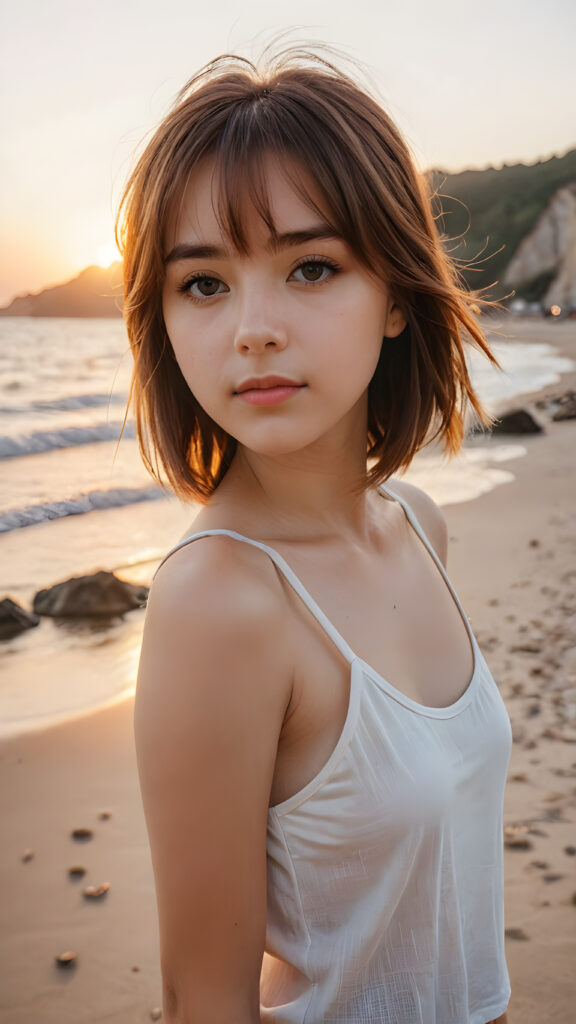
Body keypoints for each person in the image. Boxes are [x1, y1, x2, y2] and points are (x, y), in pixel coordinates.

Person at [117, 47, 512, 1024]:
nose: (253, 327)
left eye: (311, 267)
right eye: (203, 283)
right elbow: (203, 996)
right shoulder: (220, 603)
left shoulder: (419, 525)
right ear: (161, 319)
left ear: (393, 297)